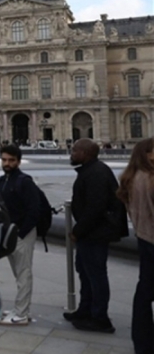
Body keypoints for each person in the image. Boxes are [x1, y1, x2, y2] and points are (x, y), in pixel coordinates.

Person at [65, 138, 120, 333]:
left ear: (85, 153)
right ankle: (85, 310)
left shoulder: (95, 173)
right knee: (85, 272)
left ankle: (100, 318)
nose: (71, 153)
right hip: (91, 233)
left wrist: (77, 231)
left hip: (95, 233)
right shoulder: (93, 170)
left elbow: (95, 208)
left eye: (74, 151)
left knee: (95, 275)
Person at [0, 145, 40, 326]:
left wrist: (22, 232)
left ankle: (21, 313)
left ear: (18, 161)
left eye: (11, 160)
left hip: (22, 233)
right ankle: (20, 308)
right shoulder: (1, 181)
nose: (7, 163)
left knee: (23, 273)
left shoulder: (25, 181)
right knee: (18, 273)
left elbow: (34, 209)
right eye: (4, 160)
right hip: (9, 233)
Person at [117, 139, 154, 353]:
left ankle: (142, 343)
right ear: (148, 154)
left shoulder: (130, 178)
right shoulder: (150, 179)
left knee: (144, 292)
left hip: (143, 237)